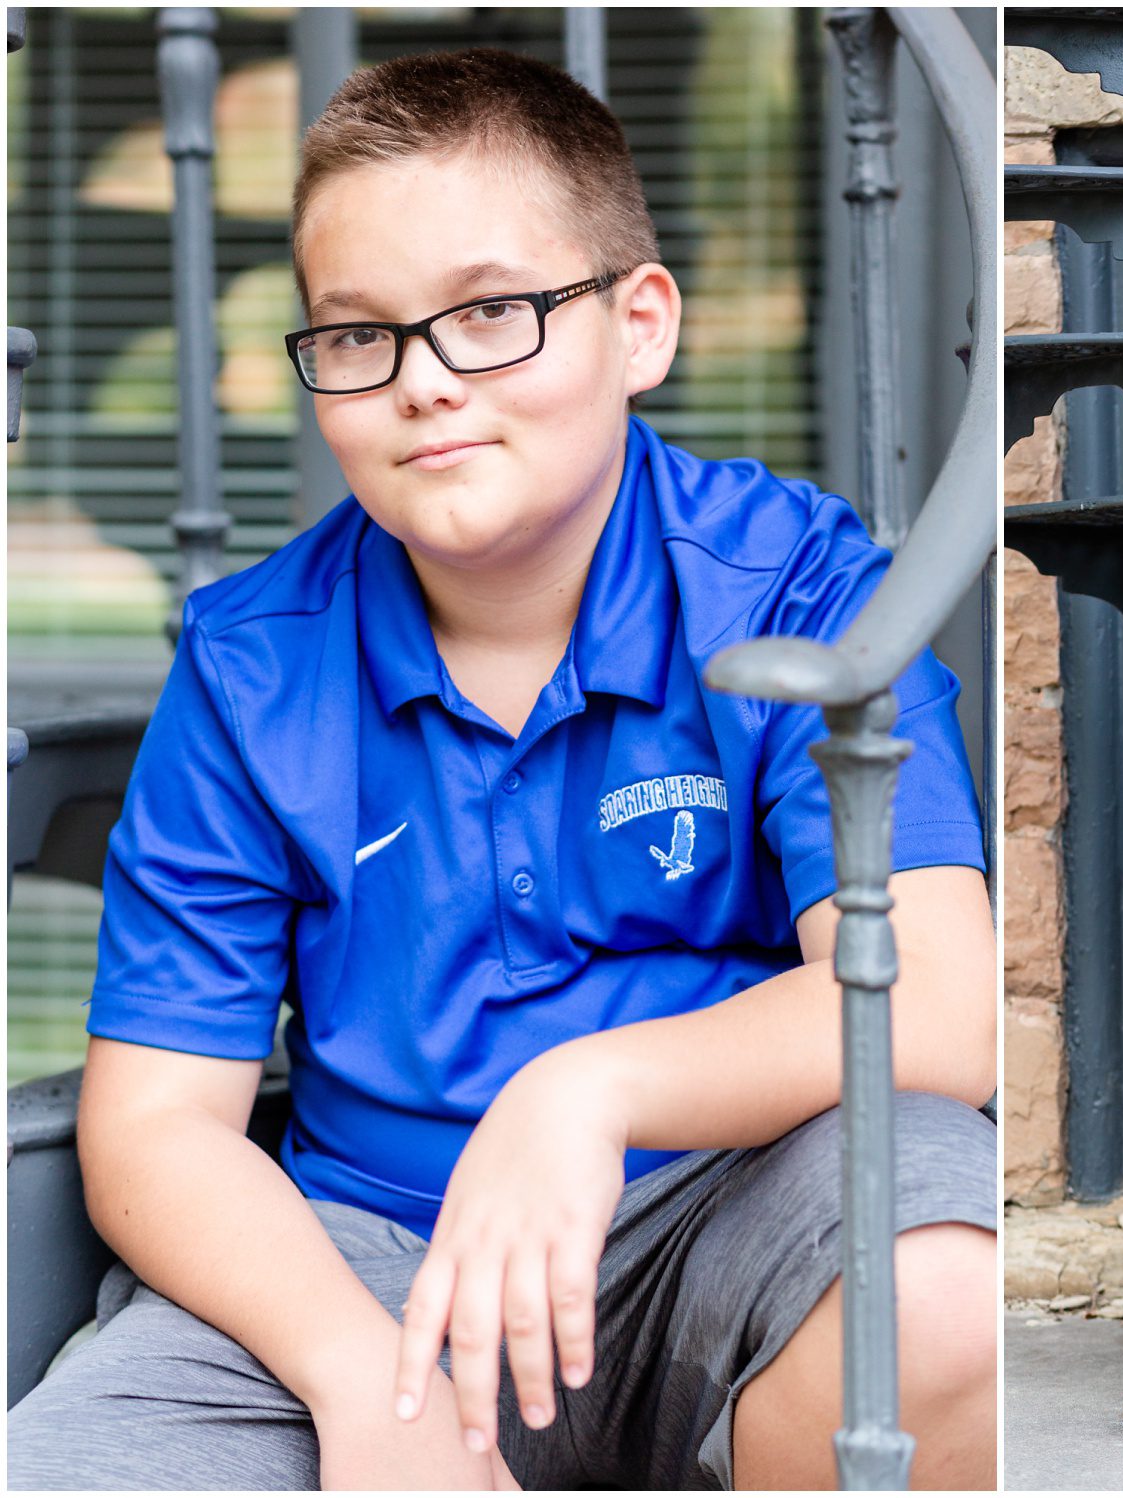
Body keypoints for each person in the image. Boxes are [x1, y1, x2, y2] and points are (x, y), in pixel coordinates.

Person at [8, 48, 996, 1491]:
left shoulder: (793, 580)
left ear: (638, 324)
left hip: (725, 1216)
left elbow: (941, 1005)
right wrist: (360, 1377)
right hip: (367, 1267)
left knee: (945, 1308)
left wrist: (582, 1093)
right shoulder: (250, 663)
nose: (421, 383)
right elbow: (156, 1123)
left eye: (489, 313)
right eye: (358, 335)